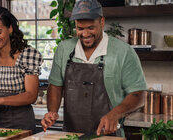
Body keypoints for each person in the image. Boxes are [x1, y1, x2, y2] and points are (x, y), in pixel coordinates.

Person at [41, 0, 147, 137]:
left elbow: (138, 94)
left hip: (109, 135)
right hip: (71, 135)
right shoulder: (64, 49)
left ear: (102, 22)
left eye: (90, 28)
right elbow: (55, 85)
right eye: (80, 28)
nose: (85, 34)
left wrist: (115, 114)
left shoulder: (123, 52)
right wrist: (52, 111)